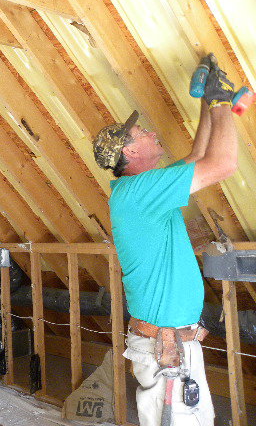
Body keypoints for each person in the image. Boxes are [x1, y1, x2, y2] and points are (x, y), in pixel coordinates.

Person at [92, 53, 238, 426]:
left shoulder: (145, 189)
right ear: (130, 151)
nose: (154, 134)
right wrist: (223, 102)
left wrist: (208, 101)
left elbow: (200, 155)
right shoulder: (138, 193)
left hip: (172, 344)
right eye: (144, 134)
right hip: (166, 349)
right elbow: (223, 165)